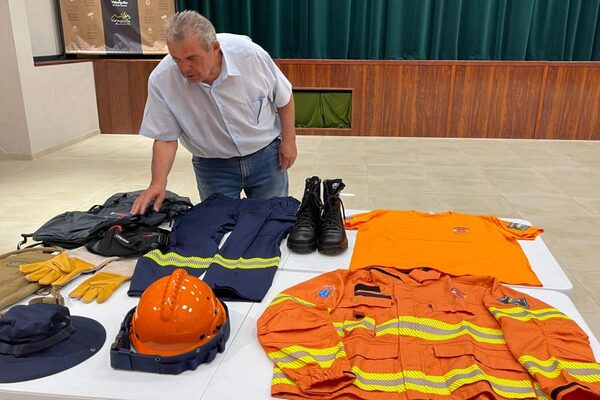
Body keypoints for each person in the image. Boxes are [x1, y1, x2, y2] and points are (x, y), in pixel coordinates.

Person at [131, 10, 297, 215]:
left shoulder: (250, 56)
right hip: (213, 167)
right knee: (219, 224)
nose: (184, 68)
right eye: (176, 59)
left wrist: (289, 141)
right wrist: (158, 182)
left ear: (215, 48)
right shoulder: (162, 80)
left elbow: (284, 98)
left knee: (272, 220)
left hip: (265, 158)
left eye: (192, 58)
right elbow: (165, 138)